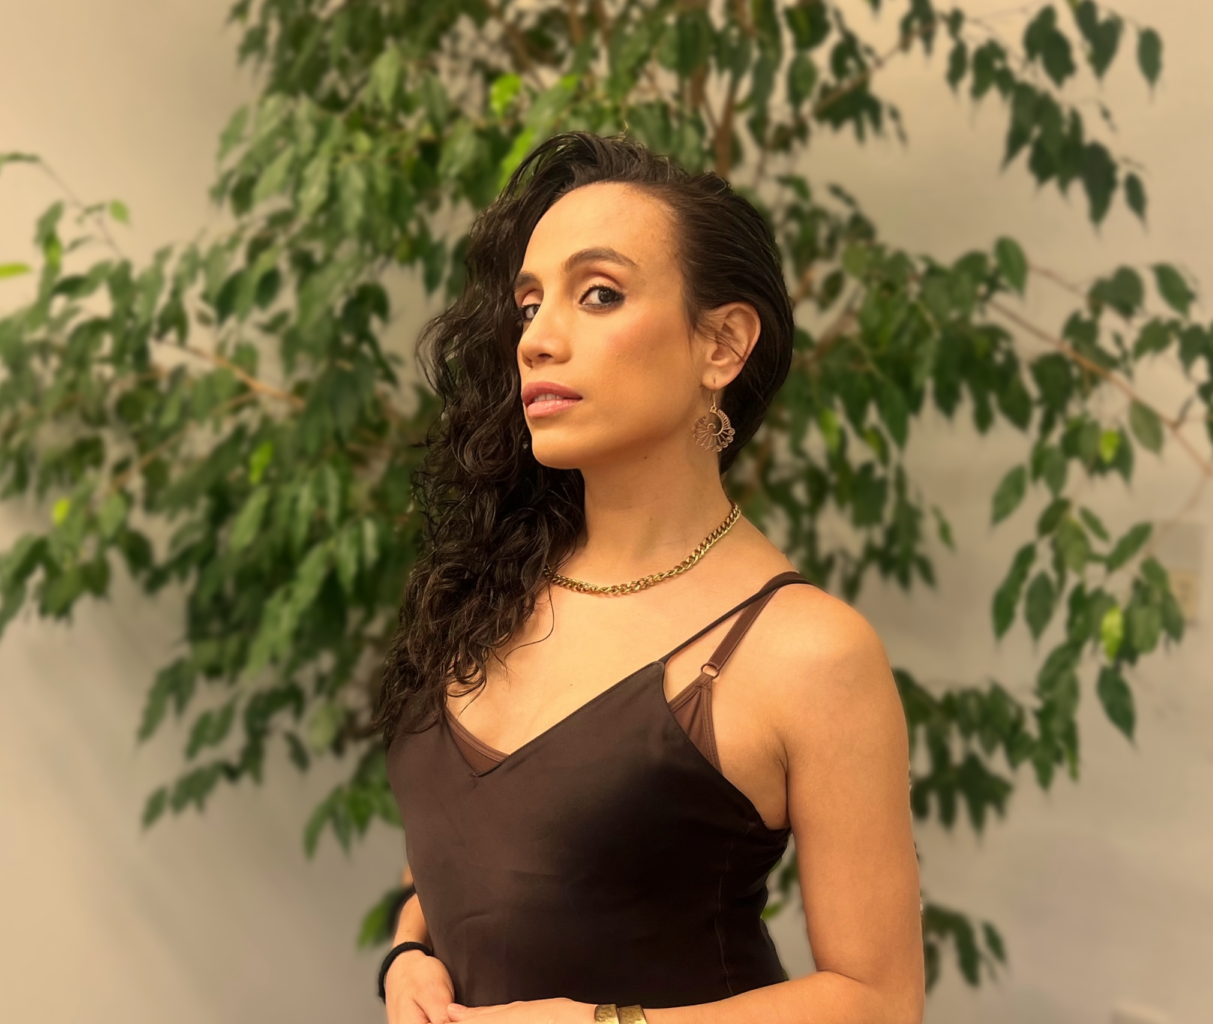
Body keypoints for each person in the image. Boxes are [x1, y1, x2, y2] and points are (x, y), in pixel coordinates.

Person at [374, 133, 923, 1024]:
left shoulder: (806, 651)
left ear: (722, 344)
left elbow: (879, 1001)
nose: (539, 341)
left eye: (599, 295)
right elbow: (472, 844)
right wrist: (409, 947)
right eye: (527, 305)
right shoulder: (492, 578)